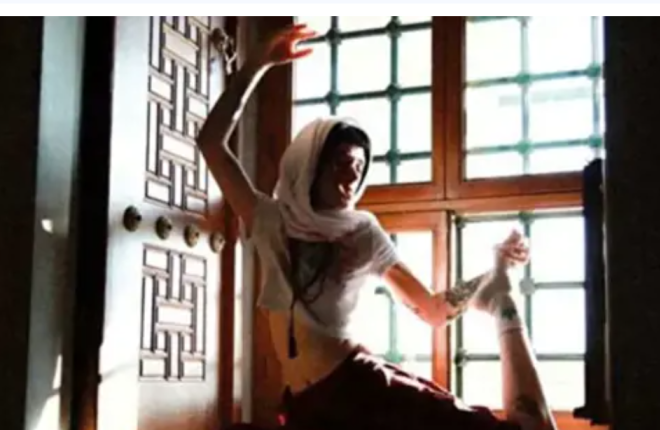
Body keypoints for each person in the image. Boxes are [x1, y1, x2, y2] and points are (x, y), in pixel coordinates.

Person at [197, 22, 557, 430]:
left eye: (360, 167)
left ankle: (499, 295)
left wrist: (485, 280)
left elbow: (431, 309)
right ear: (310, 167)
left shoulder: (363, 232)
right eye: (342, 164)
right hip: (309, 409)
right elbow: (211, 143)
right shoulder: (269, 221)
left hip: (363, 391)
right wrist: (257, 64)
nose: (353, 176)